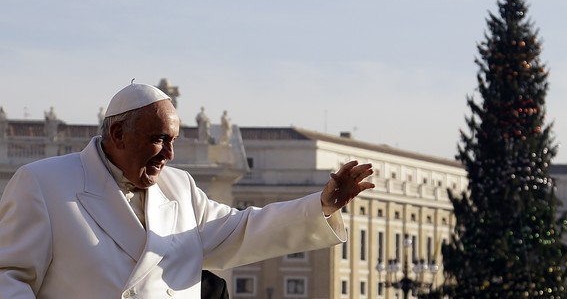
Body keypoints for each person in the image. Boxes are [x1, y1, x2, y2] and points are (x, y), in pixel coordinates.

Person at [0, 82, 374, 299]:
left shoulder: (180, 188)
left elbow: (245, 229)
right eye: (159, 139)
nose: (170, 154)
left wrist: (323, 204)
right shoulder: (44, 183)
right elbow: (8, 278)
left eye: (174, 140)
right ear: (117, 134)